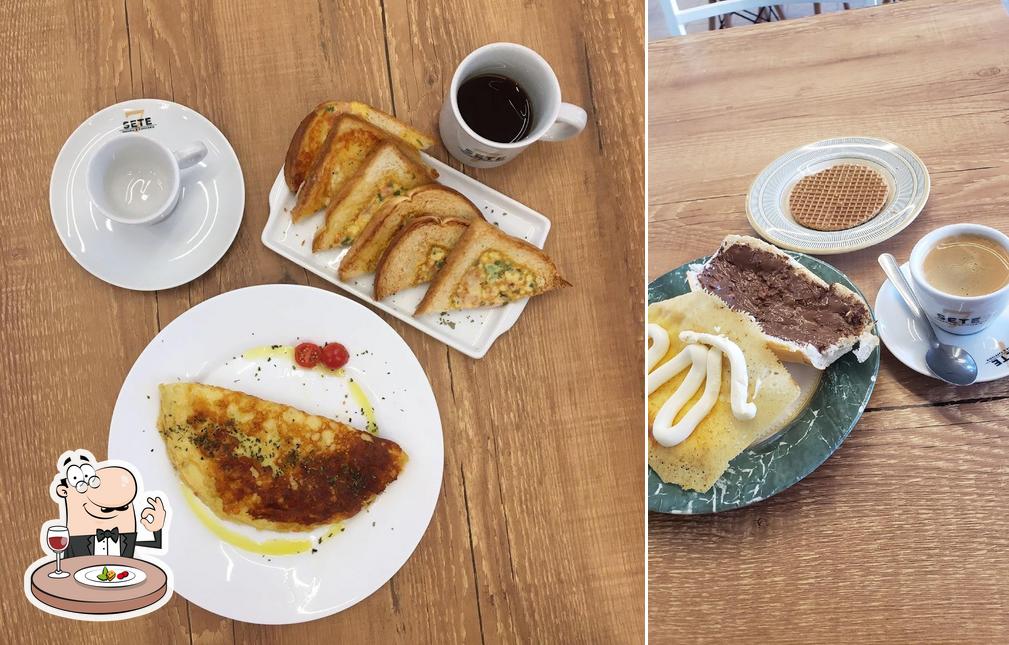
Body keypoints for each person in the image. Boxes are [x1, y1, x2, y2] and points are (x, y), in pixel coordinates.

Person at [53, 452, 167, 558]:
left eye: (123, 507)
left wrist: (156, 529)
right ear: (64, 491)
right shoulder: (73, 540)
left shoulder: (125, 533)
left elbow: (150, 546)